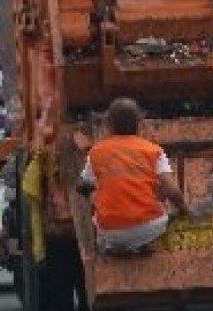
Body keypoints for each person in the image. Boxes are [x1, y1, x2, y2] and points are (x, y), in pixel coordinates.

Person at [74, 98, 191, 253]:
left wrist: (94, 190)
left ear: (109, 125)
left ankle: (116, 247)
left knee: (95, 200)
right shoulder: (153, 151)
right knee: (159, 198)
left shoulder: (96, 152)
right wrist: (184, 211)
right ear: (139, 123)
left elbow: (82, 185)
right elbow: (172, 190)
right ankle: (144, 245)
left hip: (110, 231)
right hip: (150, 228)